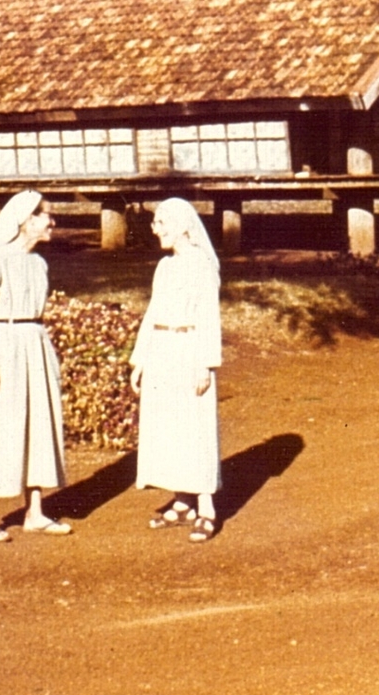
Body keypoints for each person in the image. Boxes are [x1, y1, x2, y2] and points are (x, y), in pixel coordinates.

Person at [0, 190, 71, 543]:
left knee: (39, 424)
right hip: (5, 346)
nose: (52, 222)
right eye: (46, 215)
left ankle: (35, 512)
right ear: (26, 220)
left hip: (36, 345)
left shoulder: (39, 263)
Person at [129, 198, 223, 543]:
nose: (155, 230)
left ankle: (206, 508)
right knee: (169, 427)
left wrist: (205, 365)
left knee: (195, 426)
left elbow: (209, 316)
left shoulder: (201, 265)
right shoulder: (164, 267)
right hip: (161, 352)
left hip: (189, 350)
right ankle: (183, 502)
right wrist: (140, 360)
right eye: (155, 223)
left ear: (183, 226)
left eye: (161, 223)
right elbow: (152, 313)